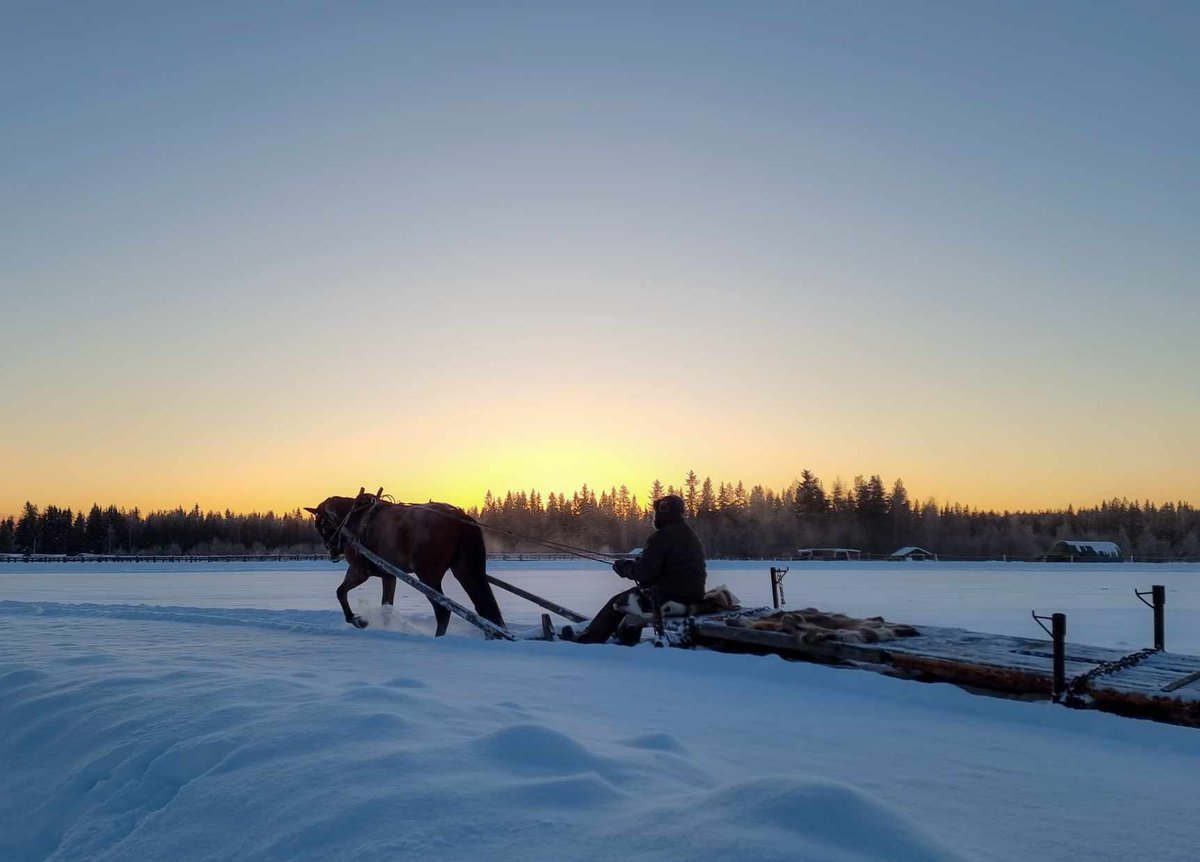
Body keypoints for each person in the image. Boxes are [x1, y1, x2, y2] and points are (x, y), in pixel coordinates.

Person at [561, 494, 706, 644]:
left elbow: (645, 573)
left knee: (619, 602)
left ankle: (590, 639)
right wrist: (634, 565)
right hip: (693, 595)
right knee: (634, 599)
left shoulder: (662, 537)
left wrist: (624, 568)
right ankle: (626, 637)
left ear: (663, 513)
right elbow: (663, 567)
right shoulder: (689, 535)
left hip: (668, 597)